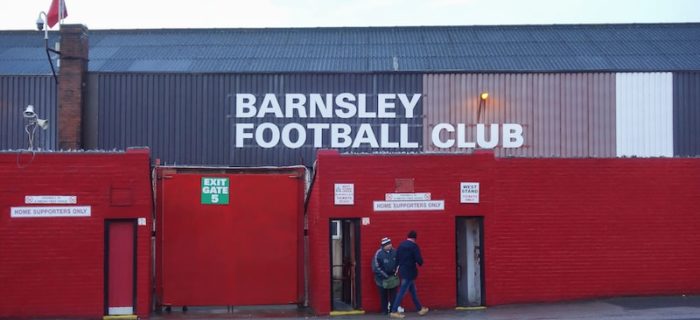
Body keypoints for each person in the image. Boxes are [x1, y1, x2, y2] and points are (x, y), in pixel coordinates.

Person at [389, 230, 429, 318]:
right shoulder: (414, 246)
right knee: (402, 292)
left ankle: (420, 309)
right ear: (415, 238)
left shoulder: (401, 245)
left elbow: (397, 258)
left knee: (413, 291)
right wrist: (420, 262)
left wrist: (396, 269)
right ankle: (394, 311)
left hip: (402, 271)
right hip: (410, 272)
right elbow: (419, 259)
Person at [372, 237, 398, 315]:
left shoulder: (395, 251)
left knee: (393, 295)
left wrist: (396, 272)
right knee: (383, 295)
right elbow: (376, 267)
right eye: (388, 244)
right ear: (383, 245)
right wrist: (385, 275)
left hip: (393, 278)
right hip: (381, 279)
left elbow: (398, 263)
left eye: (390, 243)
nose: (390, 245)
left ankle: (393, 310)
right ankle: (384, 310)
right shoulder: (378, 254)